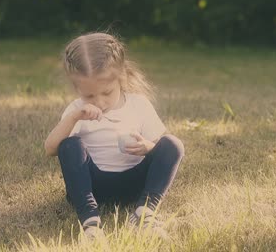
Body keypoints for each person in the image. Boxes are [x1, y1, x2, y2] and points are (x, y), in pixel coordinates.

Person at [44, 32, 184, 239]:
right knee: (69, 145)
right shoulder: (77, 110)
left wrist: (149, 147)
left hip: (135, 182)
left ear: (121, 78)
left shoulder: (138, 104)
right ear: (77, 88)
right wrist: (73, 118)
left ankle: (144, 212)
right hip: (93, 185)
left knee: (173, 144)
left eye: (107, 92)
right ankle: (90, 222)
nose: (99, 102)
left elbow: (161, 148)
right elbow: (50, 149)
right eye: (89, 95)